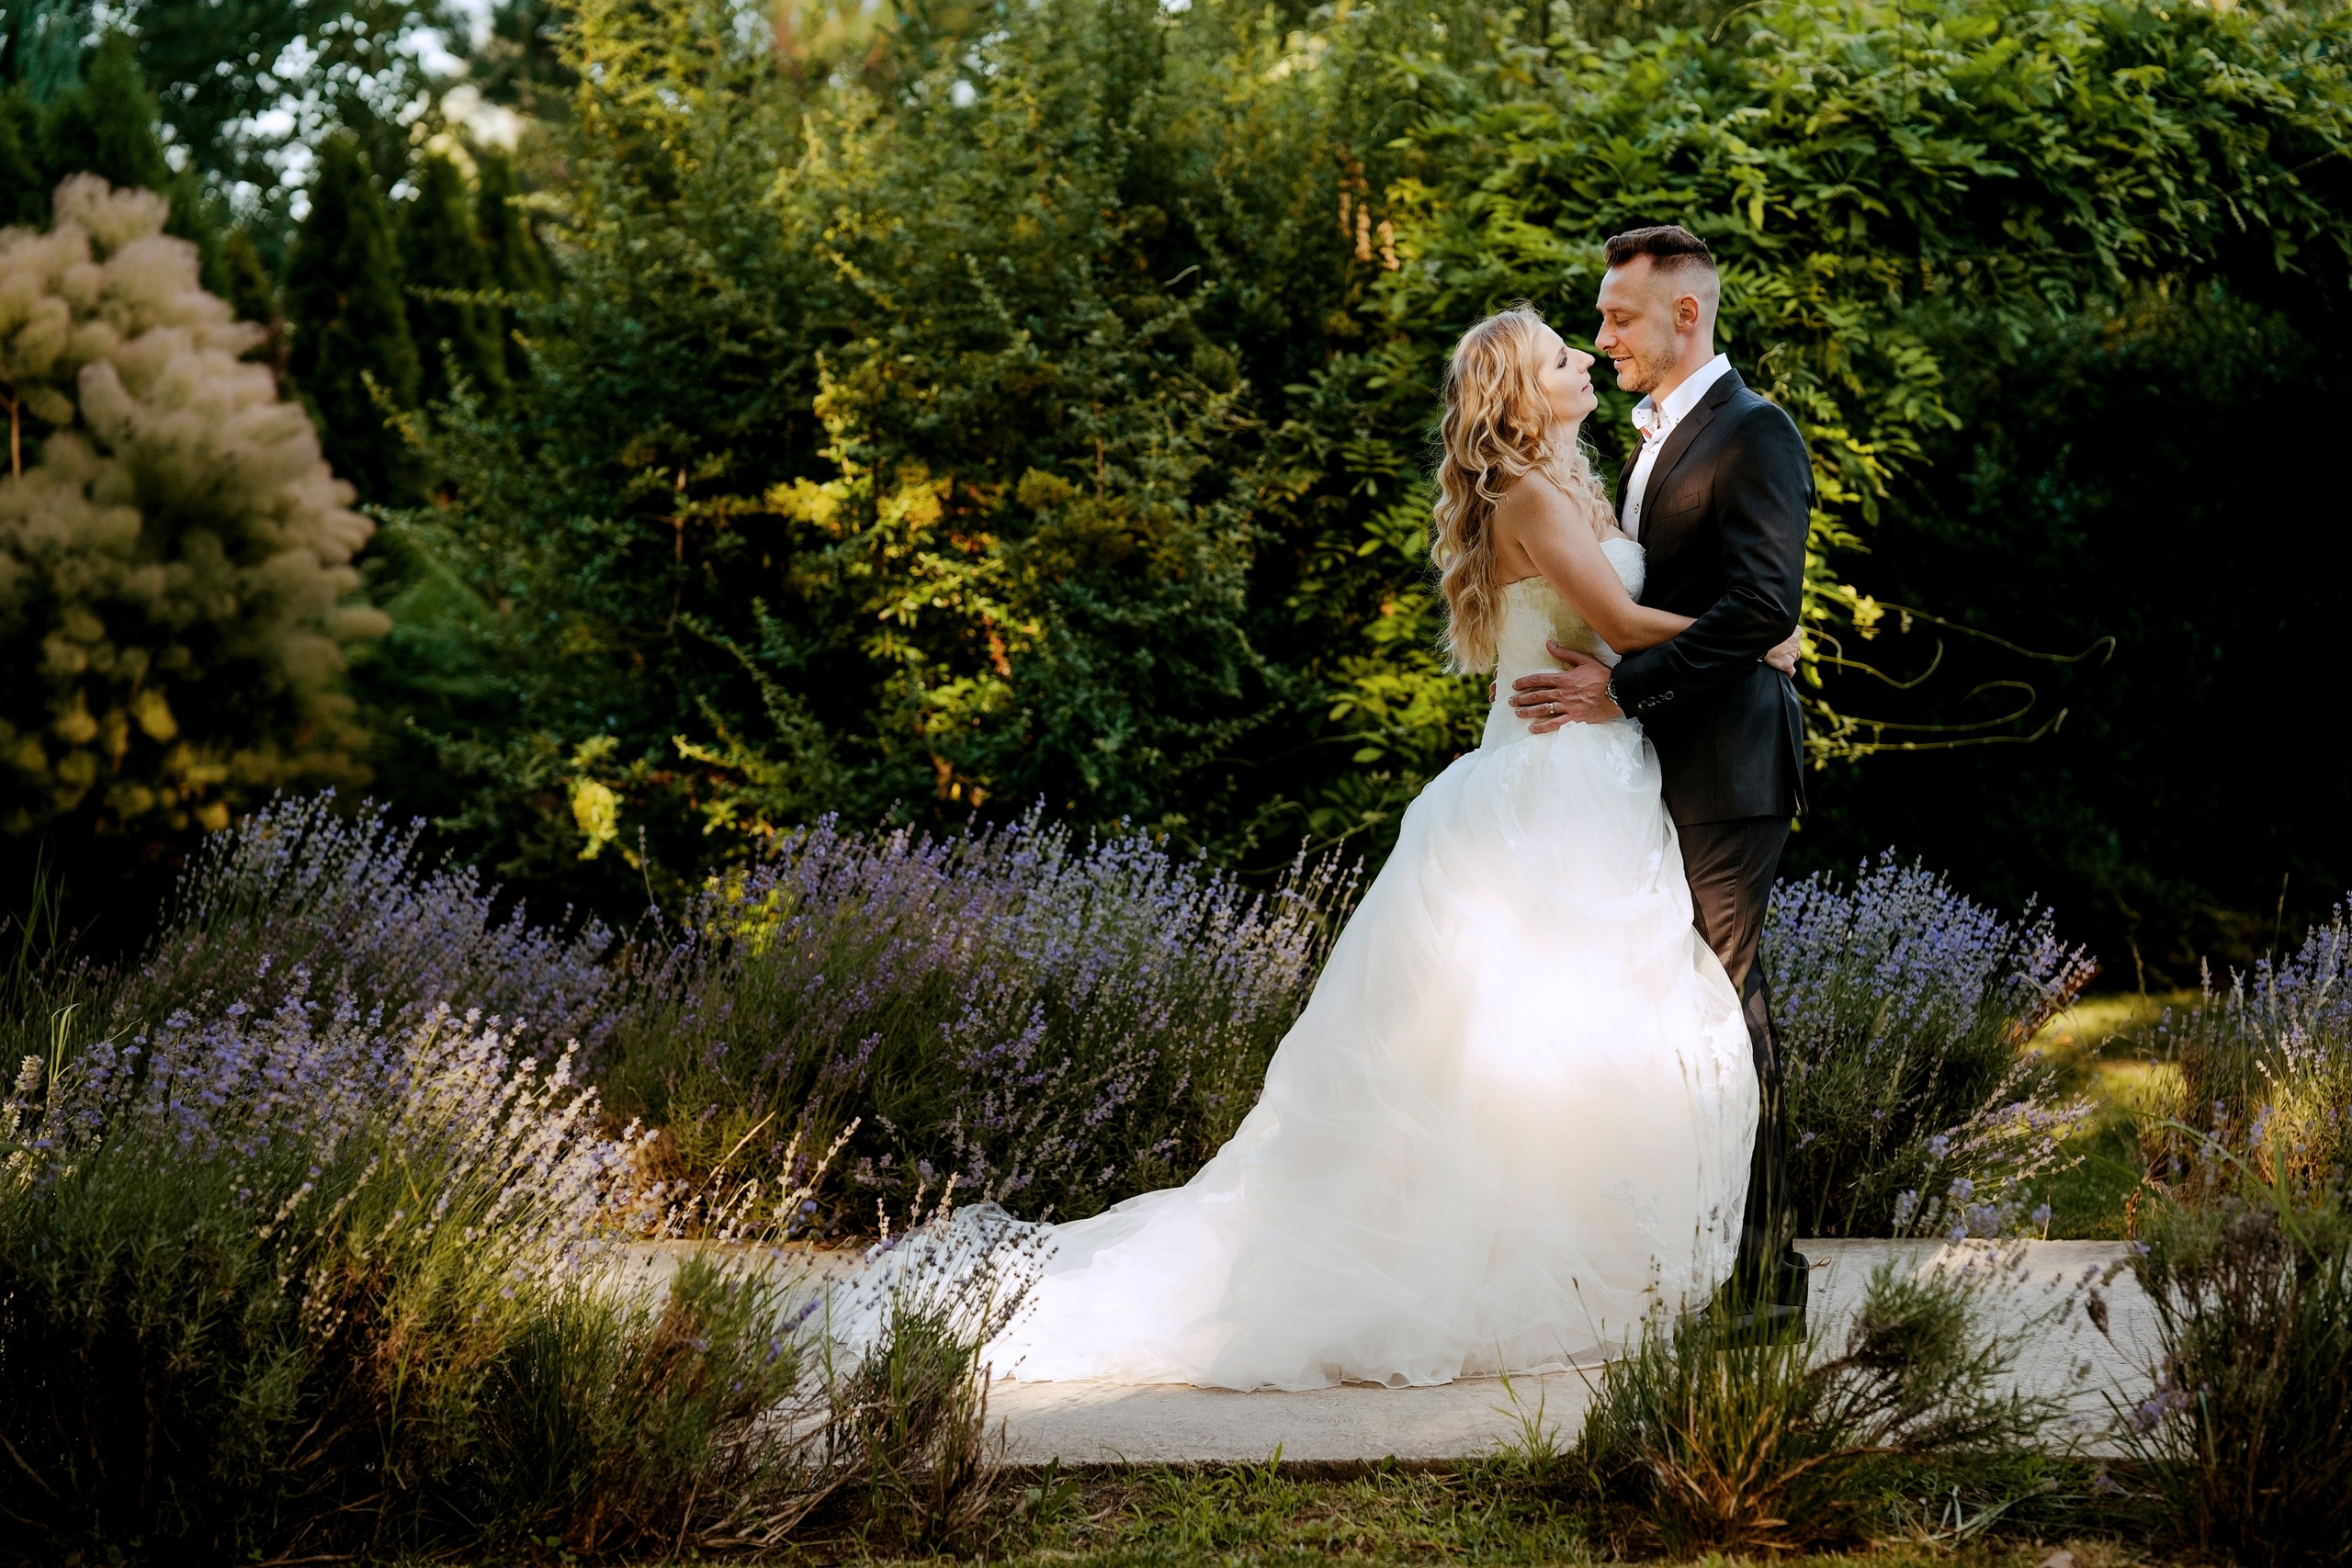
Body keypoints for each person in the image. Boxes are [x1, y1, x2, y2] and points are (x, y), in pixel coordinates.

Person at [836, 278, 1802, 1391]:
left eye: (1587, 344)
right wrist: (1761, 644)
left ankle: (1583, 1252)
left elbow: (1623, 632)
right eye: (1557, 359)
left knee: (1565, 1039)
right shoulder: (1529, 498)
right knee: (1517, 1038)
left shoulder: (1576, 483)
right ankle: (1494, 1266)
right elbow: (1627, 626)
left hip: (1605, 772)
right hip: (1552, 779)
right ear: (1517, 399)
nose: (1585, 358)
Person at [1508, 224, 1813, 1333]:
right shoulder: (1645, 441)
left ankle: (1765, 1280)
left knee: (1731, 1016)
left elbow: (1764, 607)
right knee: (1680, 1017)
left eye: (1619, 317)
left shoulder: (1754, 432)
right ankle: (1696, 1257)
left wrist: (1621, 688)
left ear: (1687, 314)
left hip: (1726, 768)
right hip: (1653, 771)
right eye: (1597, 318)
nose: (1604, 336)